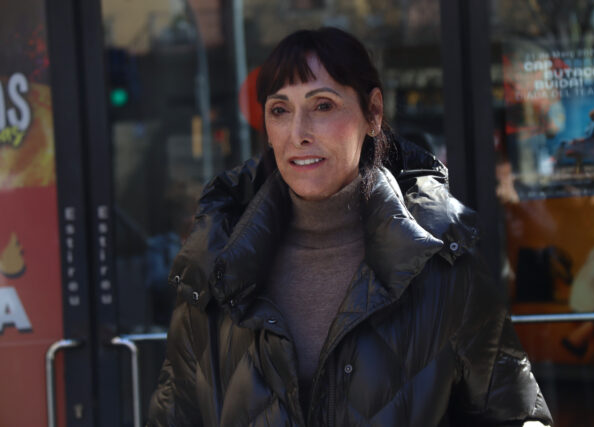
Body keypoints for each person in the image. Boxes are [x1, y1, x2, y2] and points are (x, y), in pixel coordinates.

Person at [148, 27, 552, 426]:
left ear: (373, 113)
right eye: (280, 110)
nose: (298, 133)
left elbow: (516, 414)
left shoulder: (440, 263)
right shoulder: (217, 266)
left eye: (323, 105)